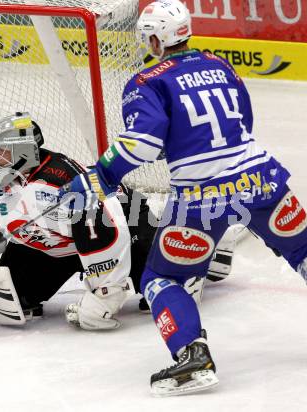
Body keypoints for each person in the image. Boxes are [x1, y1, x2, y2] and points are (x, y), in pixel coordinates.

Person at [60, 0, 307, 397]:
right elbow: (241, 122)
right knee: (303, 250)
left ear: (156, 39)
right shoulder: (221, 65)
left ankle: (192, 357)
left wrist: (101, 175)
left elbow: (141, 143)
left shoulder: (147, 81)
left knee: (163, 278)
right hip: (263, 179)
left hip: (202, 197)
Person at [0, 111, 235, 330]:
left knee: (161, 290)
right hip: (59, 245)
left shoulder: (59, 181)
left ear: (24, 151)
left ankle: (206, 248)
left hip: (124, 226)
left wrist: (105, 292)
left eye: (2, 152)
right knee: (11, 298)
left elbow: (107, 231)